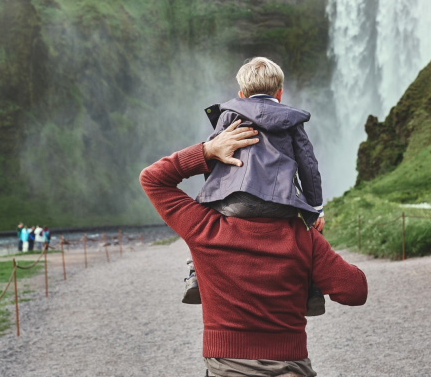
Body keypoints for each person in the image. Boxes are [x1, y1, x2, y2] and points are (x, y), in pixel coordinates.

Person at [140, 120, 367, 376]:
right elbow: (355, 291)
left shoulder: (204, 228)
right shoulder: (303, 237)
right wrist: (316, 241)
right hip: (290, 366)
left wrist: (208, 150)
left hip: (226, 366)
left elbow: (152, 179)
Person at [187, 57, 326, 315]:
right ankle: (312, 288)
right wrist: (316, 207)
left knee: (199, 223)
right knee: (311, 233)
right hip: (281, 203)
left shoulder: (229, 115)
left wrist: (215, 195)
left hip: (234, 202)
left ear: (241, 94)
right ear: (280, 93)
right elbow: (308, 164)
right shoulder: (292, 121)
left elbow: (215, 155)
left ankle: (195, 275)